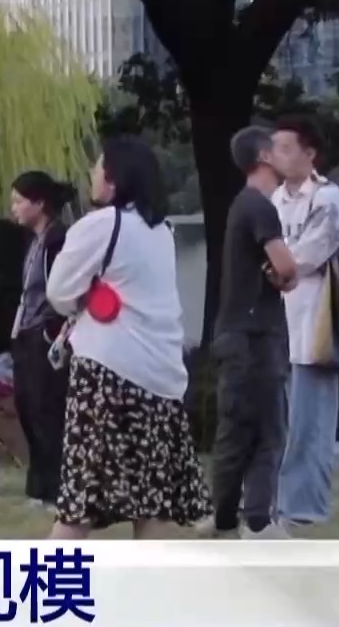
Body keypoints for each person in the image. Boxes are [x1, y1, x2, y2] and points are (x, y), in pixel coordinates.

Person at [43, 136, 209, 539]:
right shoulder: (162, 231)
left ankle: (44, 577)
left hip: (106, 374)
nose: (92, 173)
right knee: (150, 505)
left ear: (115, 179)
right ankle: (145, 581)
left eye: (99, 166)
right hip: (160, 378)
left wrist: (87, 295)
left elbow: (59, 292)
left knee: (79, 504)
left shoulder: (101, 225)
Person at [208, 126, 301, 539]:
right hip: (256, 337)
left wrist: (279, 275)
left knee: (236, 430)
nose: (286, 156)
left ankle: (224, 519)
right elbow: (286, 267)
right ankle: (259, 522)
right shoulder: (261, 206)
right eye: (280, 149)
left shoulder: (240, 205)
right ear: (263, 157)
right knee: (268, 431)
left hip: (236, 332)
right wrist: (286, 274)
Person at [268, 115, 339, 529]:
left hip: (314, 325)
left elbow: (305, 257)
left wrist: (277, 265)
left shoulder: (327, 197)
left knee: (311, 425)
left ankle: (305, 507)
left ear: (309, 153)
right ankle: (275, 503)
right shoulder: (275, 198)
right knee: (280, 423)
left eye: (286, 148)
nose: (277, 156)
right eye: (274, 148)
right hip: (278, 325)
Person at [7, 171, 75, 507]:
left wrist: (56, 331)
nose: (14, 208)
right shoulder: (33, 242)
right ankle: (38, 485)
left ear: (39, 203)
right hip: (26, 332)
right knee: (26, 407)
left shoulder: (58, 240)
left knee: (46, 410)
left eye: (19, 201)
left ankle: (53, 489)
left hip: (46, 333)